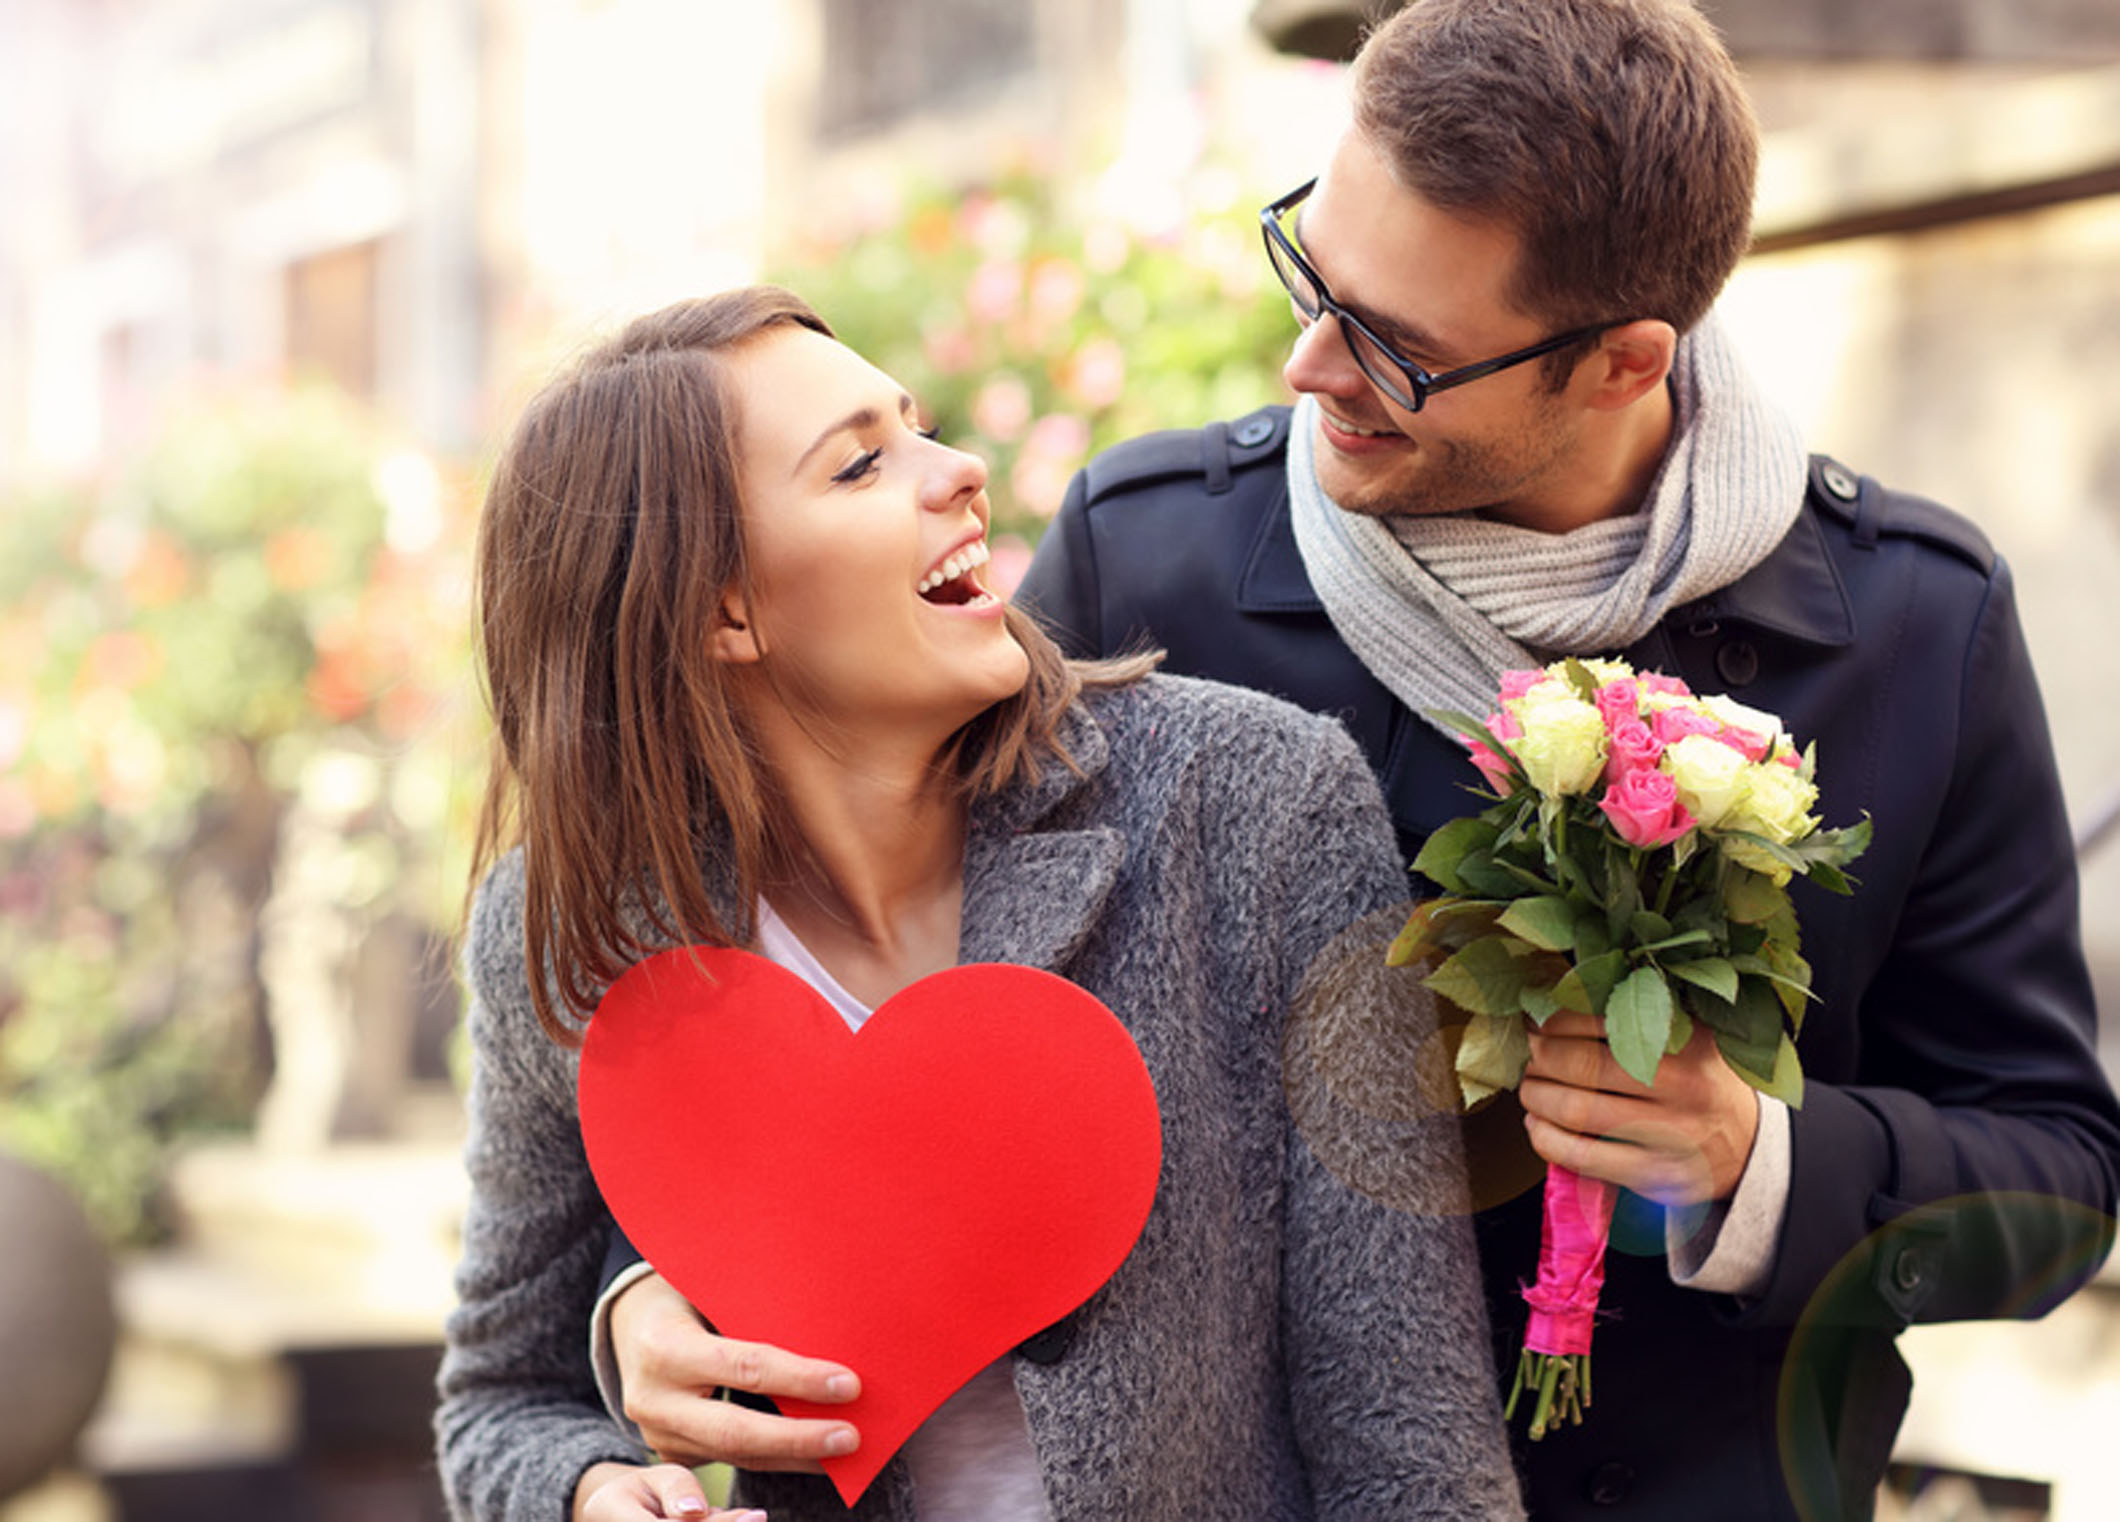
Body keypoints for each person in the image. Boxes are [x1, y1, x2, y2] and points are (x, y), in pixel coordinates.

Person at [1012, 2, 2120, 1519]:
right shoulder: (1146, 562)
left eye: (1397, 348)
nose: (1304, 367)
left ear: (1621, 363)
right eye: (1310, 274)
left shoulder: (1921, 622)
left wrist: (1759, 1159)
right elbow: (897, 995)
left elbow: (2056, 1186)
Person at [433, 286, 1526, 1522]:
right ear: (721, 609)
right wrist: (588, 1493)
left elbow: (1409, 1444)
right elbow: (497, 1398)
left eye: (920, 426)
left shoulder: (1259, 808)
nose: (955, 471)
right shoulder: (577, 931)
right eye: (859, 466)